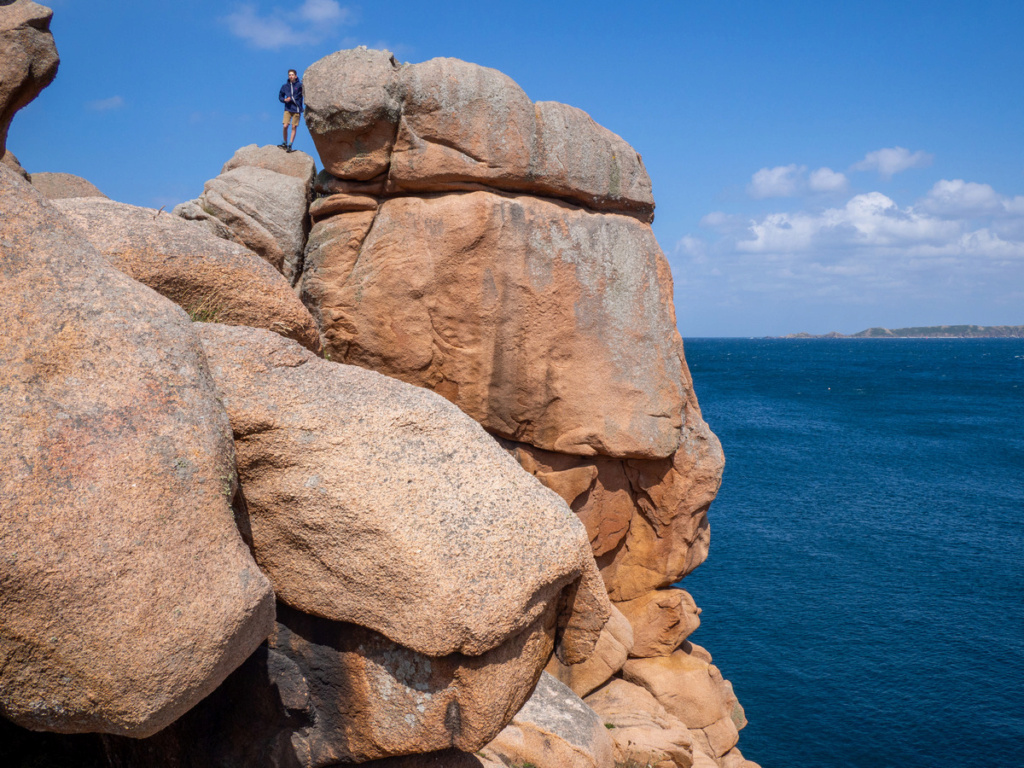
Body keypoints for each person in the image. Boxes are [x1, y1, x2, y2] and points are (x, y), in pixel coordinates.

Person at [278, 69, 303, 152]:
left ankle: (290, 144)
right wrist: (284, 100)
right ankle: (284, 142)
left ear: (295, 76)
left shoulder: (300, 85)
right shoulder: (285, 86)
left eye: (292, 75)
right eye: (289, 75)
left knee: (293, 126)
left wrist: (291, 99)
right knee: (285, 125)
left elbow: (299, 95)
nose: (291, 76)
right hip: (288, 108)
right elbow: (280, 96)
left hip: (297, 108)